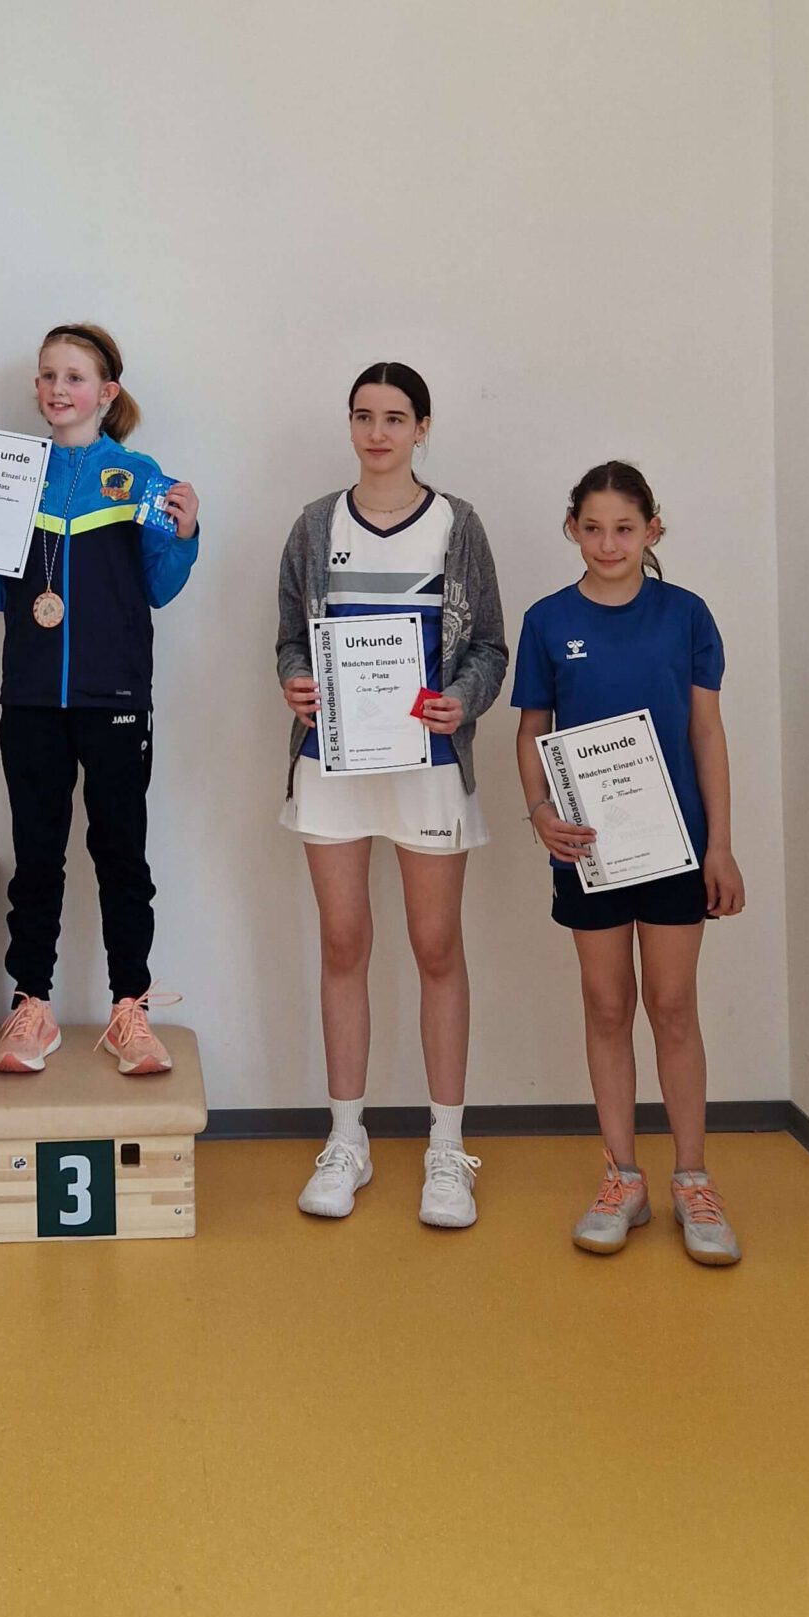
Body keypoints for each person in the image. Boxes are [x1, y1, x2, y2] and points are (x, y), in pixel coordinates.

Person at [0, 324, 198, 1078]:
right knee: (37, 857)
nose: (57, 389)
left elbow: (161, 586)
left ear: (106, 392)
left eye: (74, 377)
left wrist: (184, 531)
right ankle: (32, 1008)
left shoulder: (139, 476)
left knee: (122, 857)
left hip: (116, 697)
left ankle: (130, 1010)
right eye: (48, 375)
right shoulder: (11, 473)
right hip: (32, 696)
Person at [276, 363, 507, 1228]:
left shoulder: (457, 525)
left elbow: (489, 647)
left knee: (436, 946)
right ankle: (348, 1139)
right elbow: (288, 640)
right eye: (365, 416)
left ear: (422, 428)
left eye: (396, 418)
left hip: (428, 764)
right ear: (350, 425)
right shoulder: (315, 524)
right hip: (331, 763)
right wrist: (296, 683)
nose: (378, 433)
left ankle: (447, 1148)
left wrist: (464, 699)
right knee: (343, 943)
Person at [511, 459, 746, 1265]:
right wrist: (541, 813)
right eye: (593, 527)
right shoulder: (547, 622)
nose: (608, 543)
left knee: (672, 1006)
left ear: (653, 530)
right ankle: (622, 1178)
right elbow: (531, 730)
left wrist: (719, 844)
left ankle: (693, 1179)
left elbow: (706, 733)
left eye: (624, 528)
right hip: (589, 852)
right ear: (571, 528)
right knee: (608, 1007)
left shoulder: (687, 616)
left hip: (676, 848)